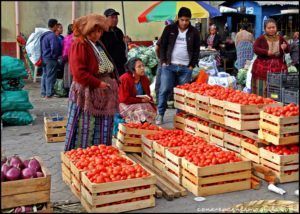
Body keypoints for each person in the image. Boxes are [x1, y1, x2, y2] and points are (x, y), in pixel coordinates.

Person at [64, 14, 119, 151]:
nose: (98, 34)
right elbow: (79, 73)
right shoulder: (79, 44)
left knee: (102, 128)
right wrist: (98, 83)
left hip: (103, 93)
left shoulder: (96, 44)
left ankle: (100, 154)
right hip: (87, 92)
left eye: (100, 31)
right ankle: (82, 156)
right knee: (85, 126)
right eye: (94, 31)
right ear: (87, 29)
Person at [156, 7, 200, 125]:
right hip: (169, 66)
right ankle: (160, 114)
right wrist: (163, 62)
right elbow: (162, 46)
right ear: (178, 19)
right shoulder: (169, 29)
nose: (184, 22)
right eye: (182, 20)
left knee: (182, 93)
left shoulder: (194, 32)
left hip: (185, 68)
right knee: (164, 89)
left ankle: (180, 116)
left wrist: (191, 65)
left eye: (187, 20)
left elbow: (196, 50)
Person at [252, 18, 290, 97]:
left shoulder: (281, 38)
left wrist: (285, 47)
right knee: (262, 86)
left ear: (276, 28)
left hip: (278, 66)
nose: (272, 29)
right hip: (263, 66)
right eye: (269, 28)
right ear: (265, 29)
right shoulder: (261, 38)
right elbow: (255, 48)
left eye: (273, 27)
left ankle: (274, 100)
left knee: (275, 87)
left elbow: (288, 50)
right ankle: (260, 100)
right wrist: (266, 52)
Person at [119, 57, 156, 123]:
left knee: (148, 106)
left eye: (143, 66)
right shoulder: (125, 79)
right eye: (139, 66)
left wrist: (149, 100)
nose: (142, 68)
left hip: (140, 102)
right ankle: (139, 127)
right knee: (141, 108)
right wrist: (141, 100)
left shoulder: (144, 79)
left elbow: (148, 94)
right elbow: (124, 99)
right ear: (132, 69)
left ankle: (146, 127)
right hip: (125, 104)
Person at [101, 8, 130, 76]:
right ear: (105, 18)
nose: (115, 19)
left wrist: (126, 42)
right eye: (112, 17)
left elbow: (122, 46)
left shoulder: (118, 31)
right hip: (109, 64)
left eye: (116, 17)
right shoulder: (102, 32)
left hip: (121, 63)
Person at [40, 18, 61, 98]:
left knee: (44, 75)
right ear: (55, 25)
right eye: (57, 25)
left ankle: (43, 92)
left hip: (44, 57)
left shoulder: (44, 35)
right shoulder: (52, 36)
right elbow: (55, 48)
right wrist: (55, 56)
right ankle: (49, 93)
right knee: (51, 76)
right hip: (51, 59)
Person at [62, 24, 74, 91]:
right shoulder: (73, 37)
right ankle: (71, 88)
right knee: (71, 73)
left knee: (67, 73)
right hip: (71, 58)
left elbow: (64, 48)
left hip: (66, 58)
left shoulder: (66, 37)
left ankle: (67, 87)